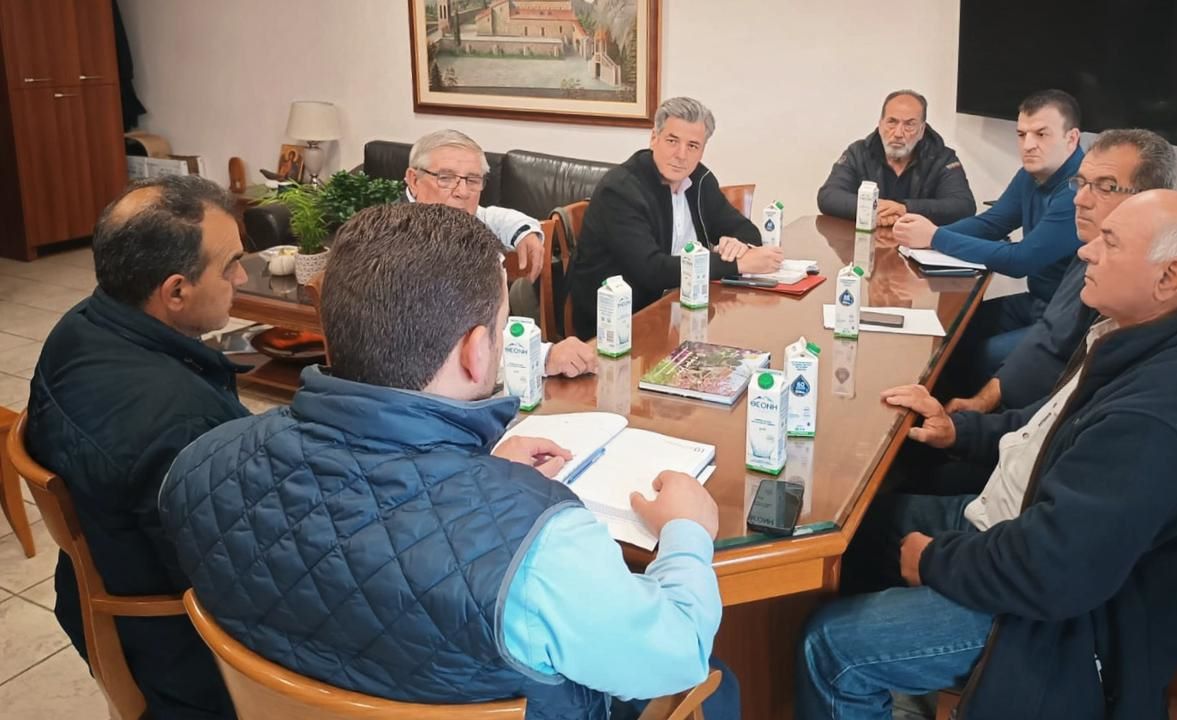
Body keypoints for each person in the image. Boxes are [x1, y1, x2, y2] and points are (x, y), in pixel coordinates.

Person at [159, 203, 738, 720]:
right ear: (477, 351)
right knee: (721, 679)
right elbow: (678, 652)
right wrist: (688, 532)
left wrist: (479, 467)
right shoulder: (543, 548)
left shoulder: (197, 466)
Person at [796, 190, 1177, 720]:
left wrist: (932, 561)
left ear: (1168, 278)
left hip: (1065, 628)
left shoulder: (1161, 413)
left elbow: (1053, 570)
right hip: (1022, 531)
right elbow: (1048, 431)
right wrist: (960, 431)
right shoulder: (1145, 338)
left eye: (1110, 243)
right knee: (847, 535)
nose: (1086, 251)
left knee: (830, 646)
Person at [24, 175, 249, 719]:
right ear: (175, 292)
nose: (242, 278)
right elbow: (229, 583)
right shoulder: (179, 422)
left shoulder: (81, 324)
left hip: (97, 590)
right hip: (175, 653)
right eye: (231, 266)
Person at [943, 128, 1176, 416]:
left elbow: (1060, 371)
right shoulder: (1090, 247)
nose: (1080, 199)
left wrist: (979, 416)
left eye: (1105, 187)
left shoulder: (1139, 287)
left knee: (982, 354)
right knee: (959, 327)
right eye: (1080, 183)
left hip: (1043, 423)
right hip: (1028, 413)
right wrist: (977, 409)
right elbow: (1049, 332)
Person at [894, 90, 1084, 389]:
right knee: (954, 329)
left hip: (1066, 318)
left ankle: (961, 414)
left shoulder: (1079, 190)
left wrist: (935, 236)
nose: (1028, 145)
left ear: (1071, 138)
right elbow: (992, 223)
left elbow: (1022, 260)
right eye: (1021, 134)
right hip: (1036, 301)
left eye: (1041, 134)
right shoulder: (1031, 174)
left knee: (984, 355)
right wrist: (924, 237)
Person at [568, 96, 783, 338]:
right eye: (672, 141)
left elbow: (746, 231)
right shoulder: (620, 190)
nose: (681, 155)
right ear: (654, 138)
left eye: (693, 146)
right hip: (622, 326)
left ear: (702, 150)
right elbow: (652, 270)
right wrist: (738, 264)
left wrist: (737, 246)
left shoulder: (700, 180)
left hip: (685, 311)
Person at [406, 128, 597, 378]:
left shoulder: (447, 218)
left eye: (472, 180)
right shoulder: (402, 248)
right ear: (413, 180)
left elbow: (488, 215)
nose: (462, 191)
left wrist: (524, 232)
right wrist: (544, 357)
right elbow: (449, 350)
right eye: (445, 178)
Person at [817, 89, 976, 226]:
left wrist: (905, 208)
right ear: (880, 124)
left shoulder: (942, 158)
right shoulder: (858, 152)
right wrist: (873, 207)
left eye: (909, 124)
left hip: (920, 245)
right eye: (892, 122)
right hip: (866, 243)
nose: (898, 133)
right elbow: (828, 196)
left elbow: (963, 206)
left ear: (922, 130)